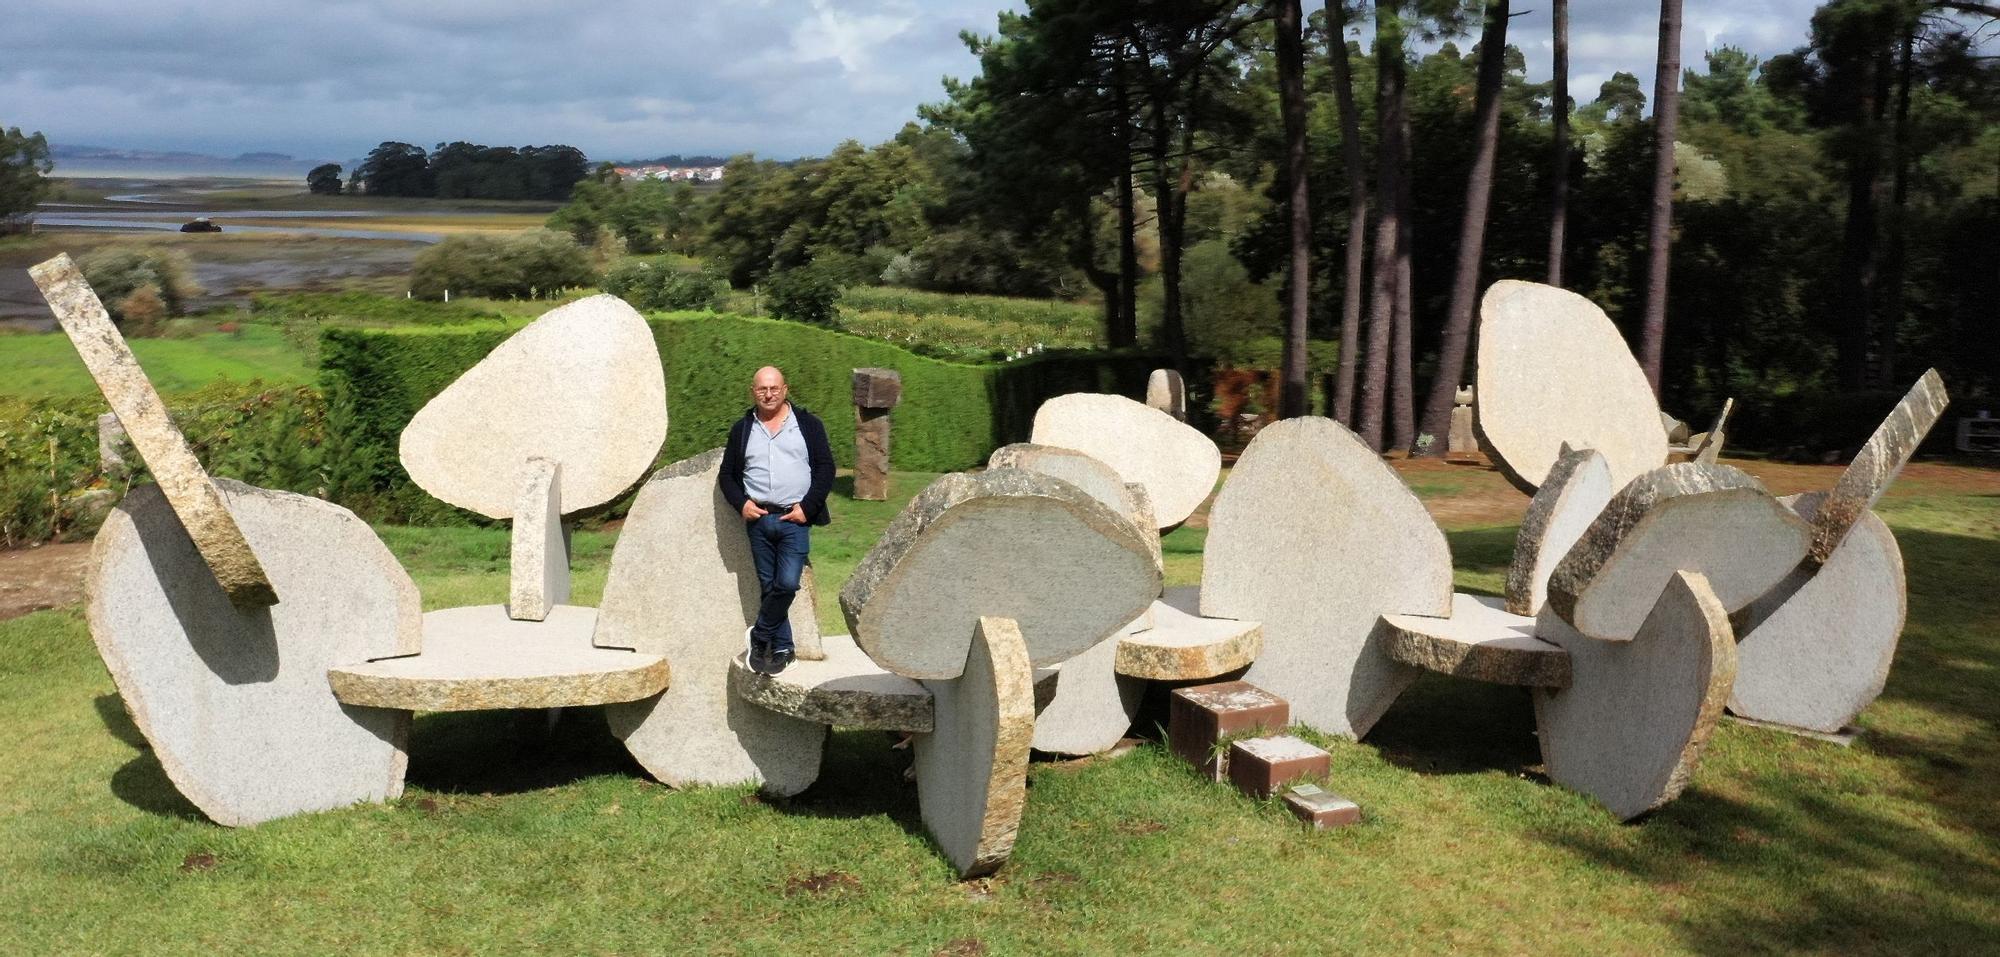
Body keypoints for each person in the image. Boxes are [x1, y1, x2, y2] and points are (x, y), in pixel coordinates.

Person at [717, 366, 834, 675]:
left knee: (786, 583)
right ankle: (782, 649)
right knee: (768, 586)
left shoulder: (808, 425)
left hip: (794, 519)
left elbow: (825, 469)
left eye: (774, 388)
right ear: (752, 391)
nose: (768, 394)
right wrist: (741, 504)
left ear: (785, 389)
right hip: (759, 519)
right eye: (761, 389)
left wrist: (808, 508)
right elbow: (727, 475)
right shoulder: (743, 429)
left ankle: (759, 635)